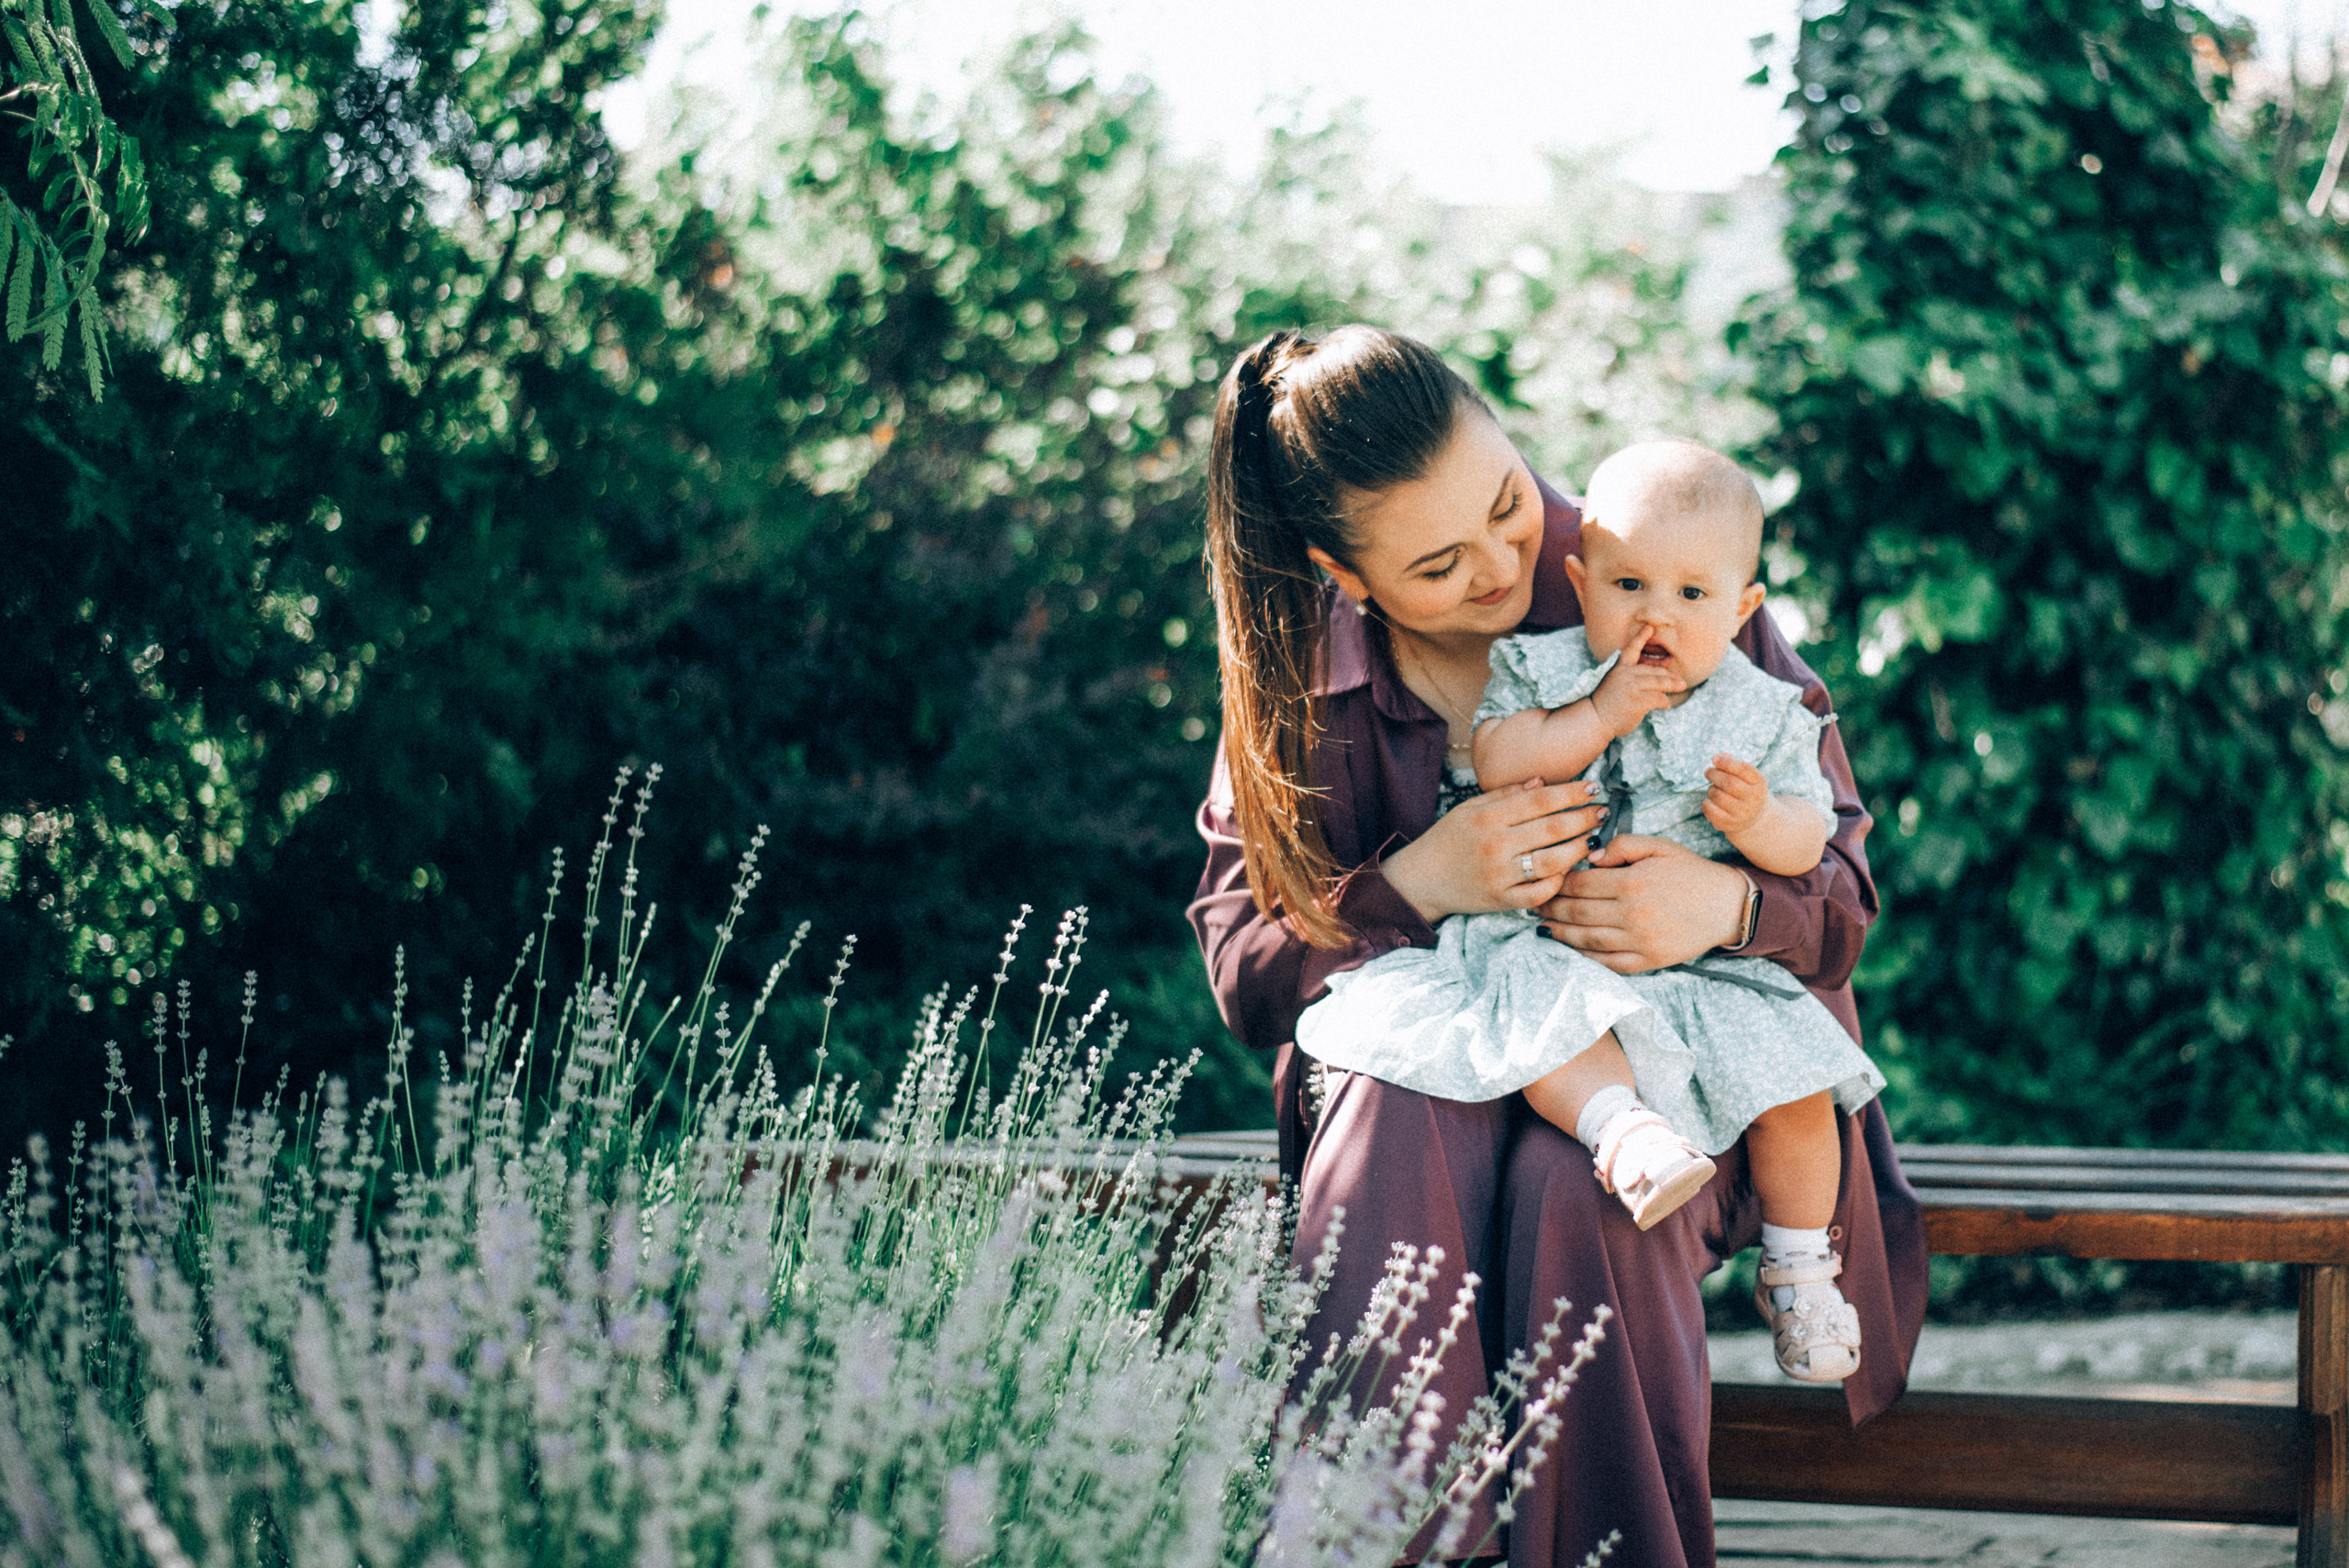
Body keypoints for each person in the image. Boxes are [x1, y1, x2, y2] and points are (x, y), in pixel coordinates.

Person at [1186, 325, 1928, 1567]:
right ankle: (1370, 1529)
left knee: (1576, 1196)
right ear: (1345, 572)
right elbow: (1245, 967)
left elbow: (1845, 890)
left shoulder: (1653, 566)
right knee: (1390, 1092)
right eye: (1438, 562)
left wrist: (1726, 904)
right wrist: (1422, 878)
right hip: (1445, 1090)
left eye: (1509, 502)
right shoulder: (1297, 669)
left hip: (1691, 1065)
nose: (1506, 563)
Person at [1294, 439, 1886, 1385]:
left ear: (1741, 609)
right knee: (1551, 1026)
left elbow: (1815, 852)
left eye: (1692, 597)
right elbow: (1500, 757)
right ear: (1583, 578)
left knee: (1801, 1089)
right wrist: (1601, 713)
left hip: (1709, 975)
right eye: (1628, 587)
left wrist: (1753, 839)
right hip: (1564, 955)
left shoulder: (1765, 705)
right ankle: (1622, 1126)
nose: (1657, 614)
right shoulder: (1551, 667)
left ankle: (1802, 1263)